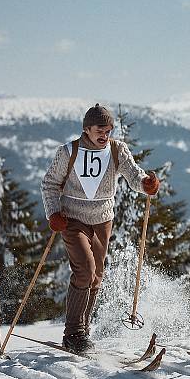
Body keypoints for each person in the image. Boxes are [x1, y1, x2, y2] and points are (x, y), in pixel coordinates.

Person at [41, 103, 159, 353]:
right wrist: (53, 213)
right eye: (100, 130)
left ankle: (83, 329)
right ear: (86, 129)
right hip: (73, 218)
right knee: (85, 270)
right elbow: (50, 184)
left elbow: (133, 175)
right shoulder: (68, 151)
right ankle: (72, 333)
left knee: (95, 278)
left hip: (103, 219)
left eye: (109, 130)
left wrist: (146, 184)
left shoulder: (117, 150)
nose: (105, 135)